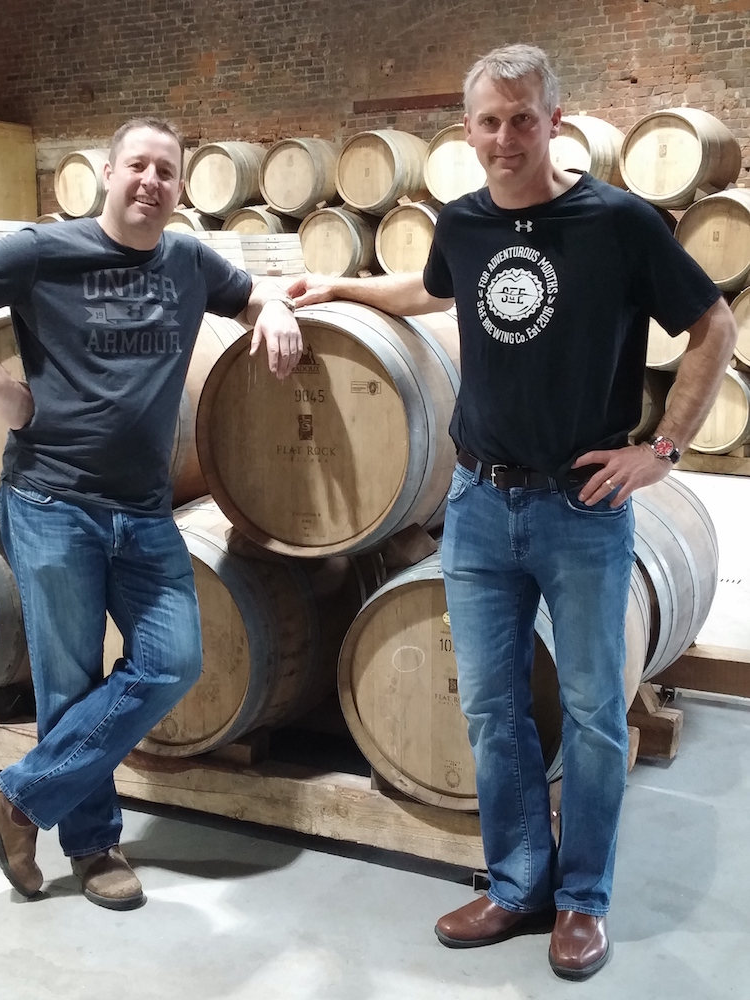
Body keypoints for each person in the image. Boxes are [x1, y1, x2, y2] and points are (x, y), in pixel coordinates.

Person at [288, 45, 737, 980]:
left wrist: (661, 452)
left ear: (554, 123)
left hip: (581, 507)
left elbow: (713, 327)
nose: (503, 137)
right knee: (493, 706)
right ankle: (515, 882)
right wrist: (337, 285)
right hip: (479, 504)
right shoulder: (460, 222)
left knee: (592, 714)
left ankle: (582, 901)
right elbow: (426, 287)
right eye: (487, 122)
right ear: (466, 131)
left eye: (521, 119)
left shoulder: (616, 221)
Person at [0, 117, 302, 911]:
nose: (151, 181)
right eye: (138, 167)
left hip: (144, 512)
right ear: (106, 175)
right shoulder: (44, 250)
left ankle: (17, 799)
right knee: (69, 679)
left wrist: (273, 309)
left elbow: (249, 292)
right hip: (51, 501)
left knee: (172, 660)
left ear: (179, 188)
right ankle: (91, 846)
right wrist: (0, 389)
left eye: (167, 172)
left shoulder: (187, 259)